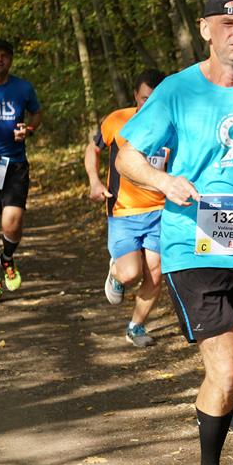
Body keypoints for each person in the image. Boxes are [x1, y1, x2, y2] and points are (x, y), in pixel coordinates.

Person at [116, 0, 233, 465]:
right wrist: (163, 182)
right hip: (190, 246)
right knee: (222, 367)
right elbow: (127, 156)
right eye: (228, 24)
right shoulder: (175, 90)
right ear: (205, 30)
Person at [83, 69, 167, 347]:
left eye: (156, 100)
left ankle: (136, 327)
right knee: (131, 272)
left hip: (161, 211)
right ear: (135, 96)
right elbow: (92, 149)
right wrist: (95, 181)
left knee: (155, 272)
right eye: (144, 99)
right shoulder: (117, 120)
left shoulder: (174, 125)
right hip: (123, 211)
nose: (150, 105)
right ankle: (117, 273)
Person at [0, 39, 42, 305]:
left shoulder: (23, 88)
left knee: (12, 224)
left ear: (10, 60)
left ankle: (8, 258)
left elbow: (36, 114)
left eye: (4, 55)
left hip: (14, 164)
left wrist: (29, 129)